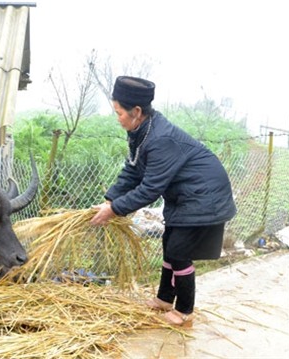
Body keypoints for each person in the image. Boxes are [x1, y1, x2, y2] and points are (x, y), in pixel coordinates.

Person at [90, 76, 237, 327]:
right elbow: (134, 170)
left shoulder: (160, 139)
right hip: (186, 196)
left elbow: (150, 189)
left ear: (136, 112)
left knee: (179, 251)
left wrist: (115, 210)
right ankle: (164, 299)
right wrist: (110, 200)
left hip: (204, 197)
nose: (117, 118)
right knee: (170, 245)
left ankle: (184, 310)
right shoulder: (141, 132)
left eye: (119, 113)